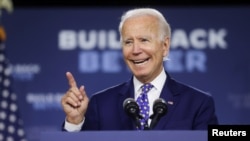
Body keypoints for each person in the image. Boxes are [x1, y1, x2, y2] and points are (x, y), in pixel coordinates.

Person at [61, 7, 219, 131]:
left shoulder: (198, 103)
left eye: (144, 40)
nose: (135, 50)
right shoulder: (100, 104)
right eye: (128, 42)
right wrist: (74, 122)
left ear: (165, 46)